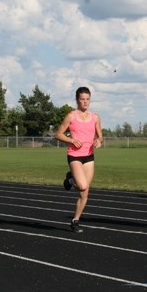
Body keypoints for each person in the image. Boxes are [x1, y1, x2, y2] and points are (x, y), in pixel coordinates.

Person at [55, 87, 103, 233]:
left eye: (87, 99)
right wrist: (71, 140)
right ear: (77, 100)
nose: (85, 102)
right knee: (81, 185)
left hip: (89, 156)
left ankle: (75, 220)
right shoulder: (71, 116)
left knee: (85, 192)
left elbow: (100, 136)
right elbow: (58, 134)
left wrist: (99, 141)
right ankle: (70, 179)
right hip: (74, 155)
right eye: (82, 99)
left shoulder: (95, 117)